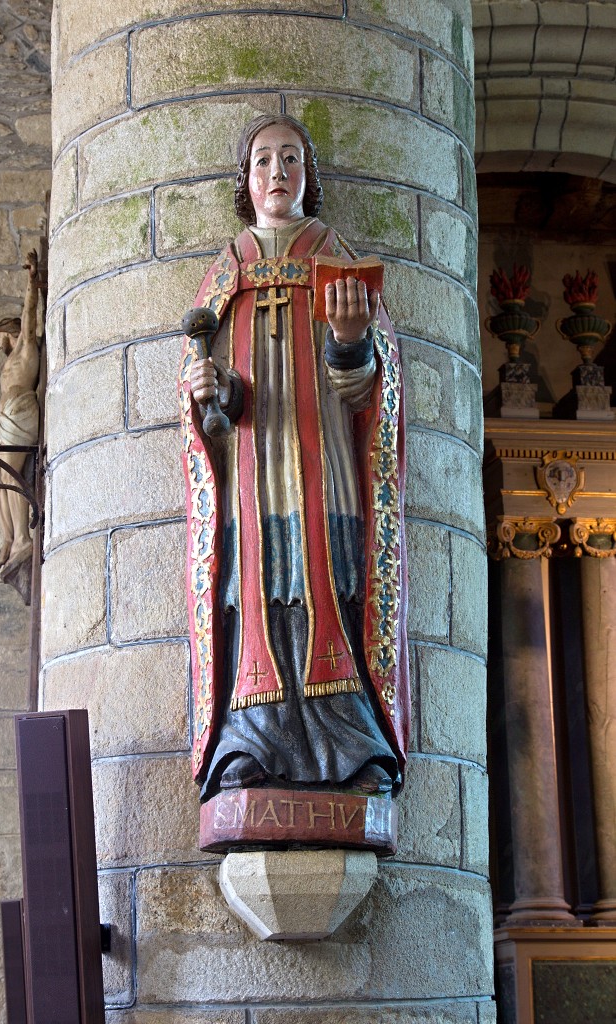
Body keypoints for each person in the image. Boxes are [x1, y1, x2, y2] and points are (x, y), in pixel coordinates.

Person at [180, 115, 409, 802]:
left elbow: (368, 390)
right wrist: (209, 391)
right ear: (243, 182)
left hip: (326, 469)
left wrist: (347, 338)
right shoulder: (223, 280)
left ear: (309, 176)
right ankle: (248, 742)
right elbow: (214, 405)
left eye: (290, 160)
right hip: (252, 475)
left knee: (332, 588)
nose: (276, 173)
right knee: (253, 597)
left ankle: (353, 741)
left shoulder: (337, 266)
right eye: (261, 162)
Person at [0, 249, 40, 570]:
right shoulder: (9, 361)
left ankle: (23, 538)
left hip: (22, 411)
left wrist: (31, 278)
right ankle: (9, 537)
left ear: (10, 333)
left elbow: (29, 309)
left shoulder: (26, 346)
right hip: (8, 415)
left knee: (10, 472)